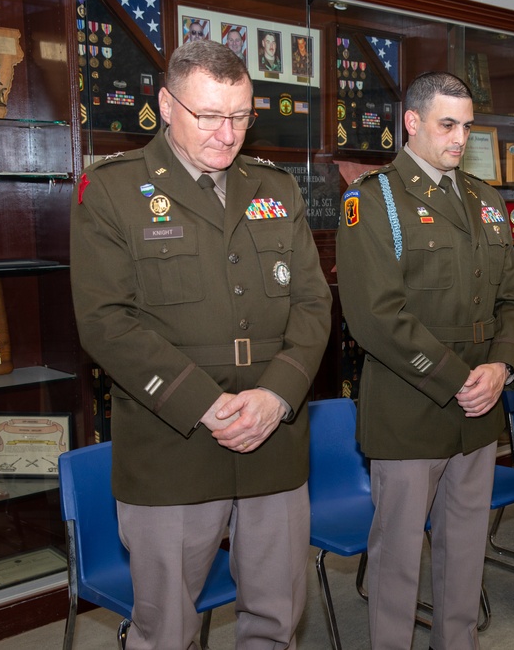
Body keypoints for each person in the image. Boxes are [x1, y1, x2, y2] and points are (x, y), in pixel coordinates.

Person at [70, 39, 332, 649]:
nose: (227, 133)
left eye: (240, 116)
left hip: (273, 439)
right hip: (175, 444)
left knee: (276, 617)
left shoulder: (276, 187)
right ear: (166, 104)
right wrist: (205, 404)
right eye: (208, 116)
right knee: (167, 629)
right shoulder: (112, 191)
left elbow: (313, 305)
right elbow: (106, 322)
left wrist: (277, 394)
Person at [335, 71, 514, 650]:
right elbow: (375, 316)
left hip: (478, 410)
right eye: (448, 124)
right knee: (397, 561)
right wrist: (458, 378)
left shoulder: (484, 200)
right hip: (409, 409)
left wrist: (500, 369)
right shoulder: (373, 200)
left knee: (466, 553)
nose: (460, 138)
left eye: (467, 126)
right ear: (412, 123)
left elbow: (512, 301)